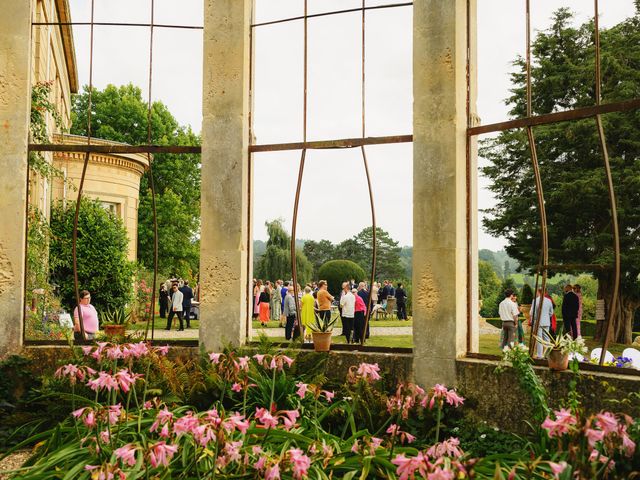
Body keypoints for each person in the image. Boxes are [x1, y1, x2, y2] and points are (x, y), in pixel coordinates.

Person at [530, 288, 554, 359]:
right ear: (545, 292)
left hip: (538, 322)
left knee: (539, 339)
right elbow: (551, 312)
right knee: (547, 339)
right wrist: (546, 317)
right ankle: (548, 354)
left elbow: (532, 313)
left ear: (538, 292)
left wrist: (534, 319)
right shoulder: (549, 301)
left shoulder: (535, 301)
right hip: (546, 322)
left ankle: (539, 355)